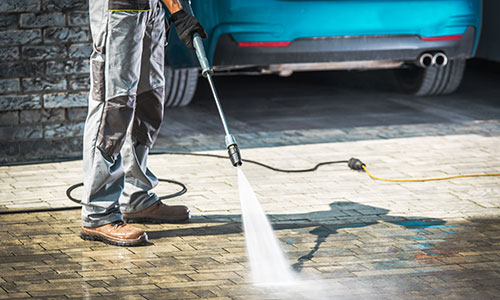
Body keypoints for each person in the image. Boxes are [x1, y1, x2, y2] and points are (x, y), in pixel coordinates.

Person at [80, 0, 207, 246]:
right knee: (114, 104)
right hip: (120, 7)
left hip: (153, 9)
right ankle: (98, 212)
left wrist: (179, 11)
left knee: (149, 100)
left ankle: (136, 197)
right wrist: (177, 9)